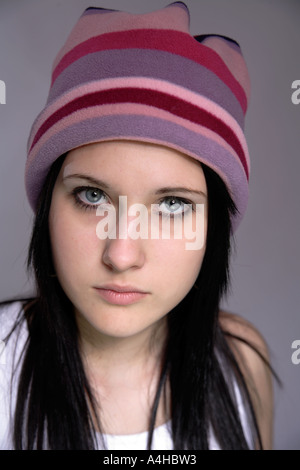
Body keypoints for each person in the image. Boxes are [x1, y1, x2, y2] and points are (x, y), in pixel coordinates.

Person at [0, 2, 273, 450]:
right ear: (48, 203)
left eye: (171, 204)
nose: (121, 254)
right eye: (92, 196)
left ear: (215, 229)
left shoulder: (242, 361)